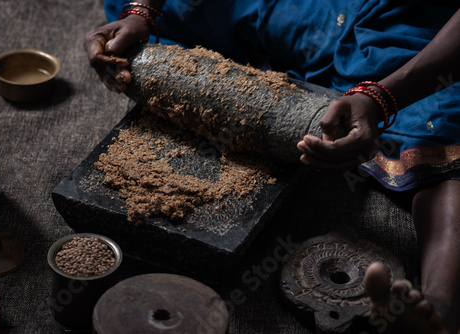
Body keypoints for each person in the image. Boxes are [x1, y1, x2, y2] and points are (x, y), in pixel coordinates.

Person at [84, 1, 460, 333]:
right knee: (170, 14)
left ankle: (440, 305)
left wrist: (381, 98)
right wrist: (142, 10)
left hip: (413, 22)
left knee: (441, 121)